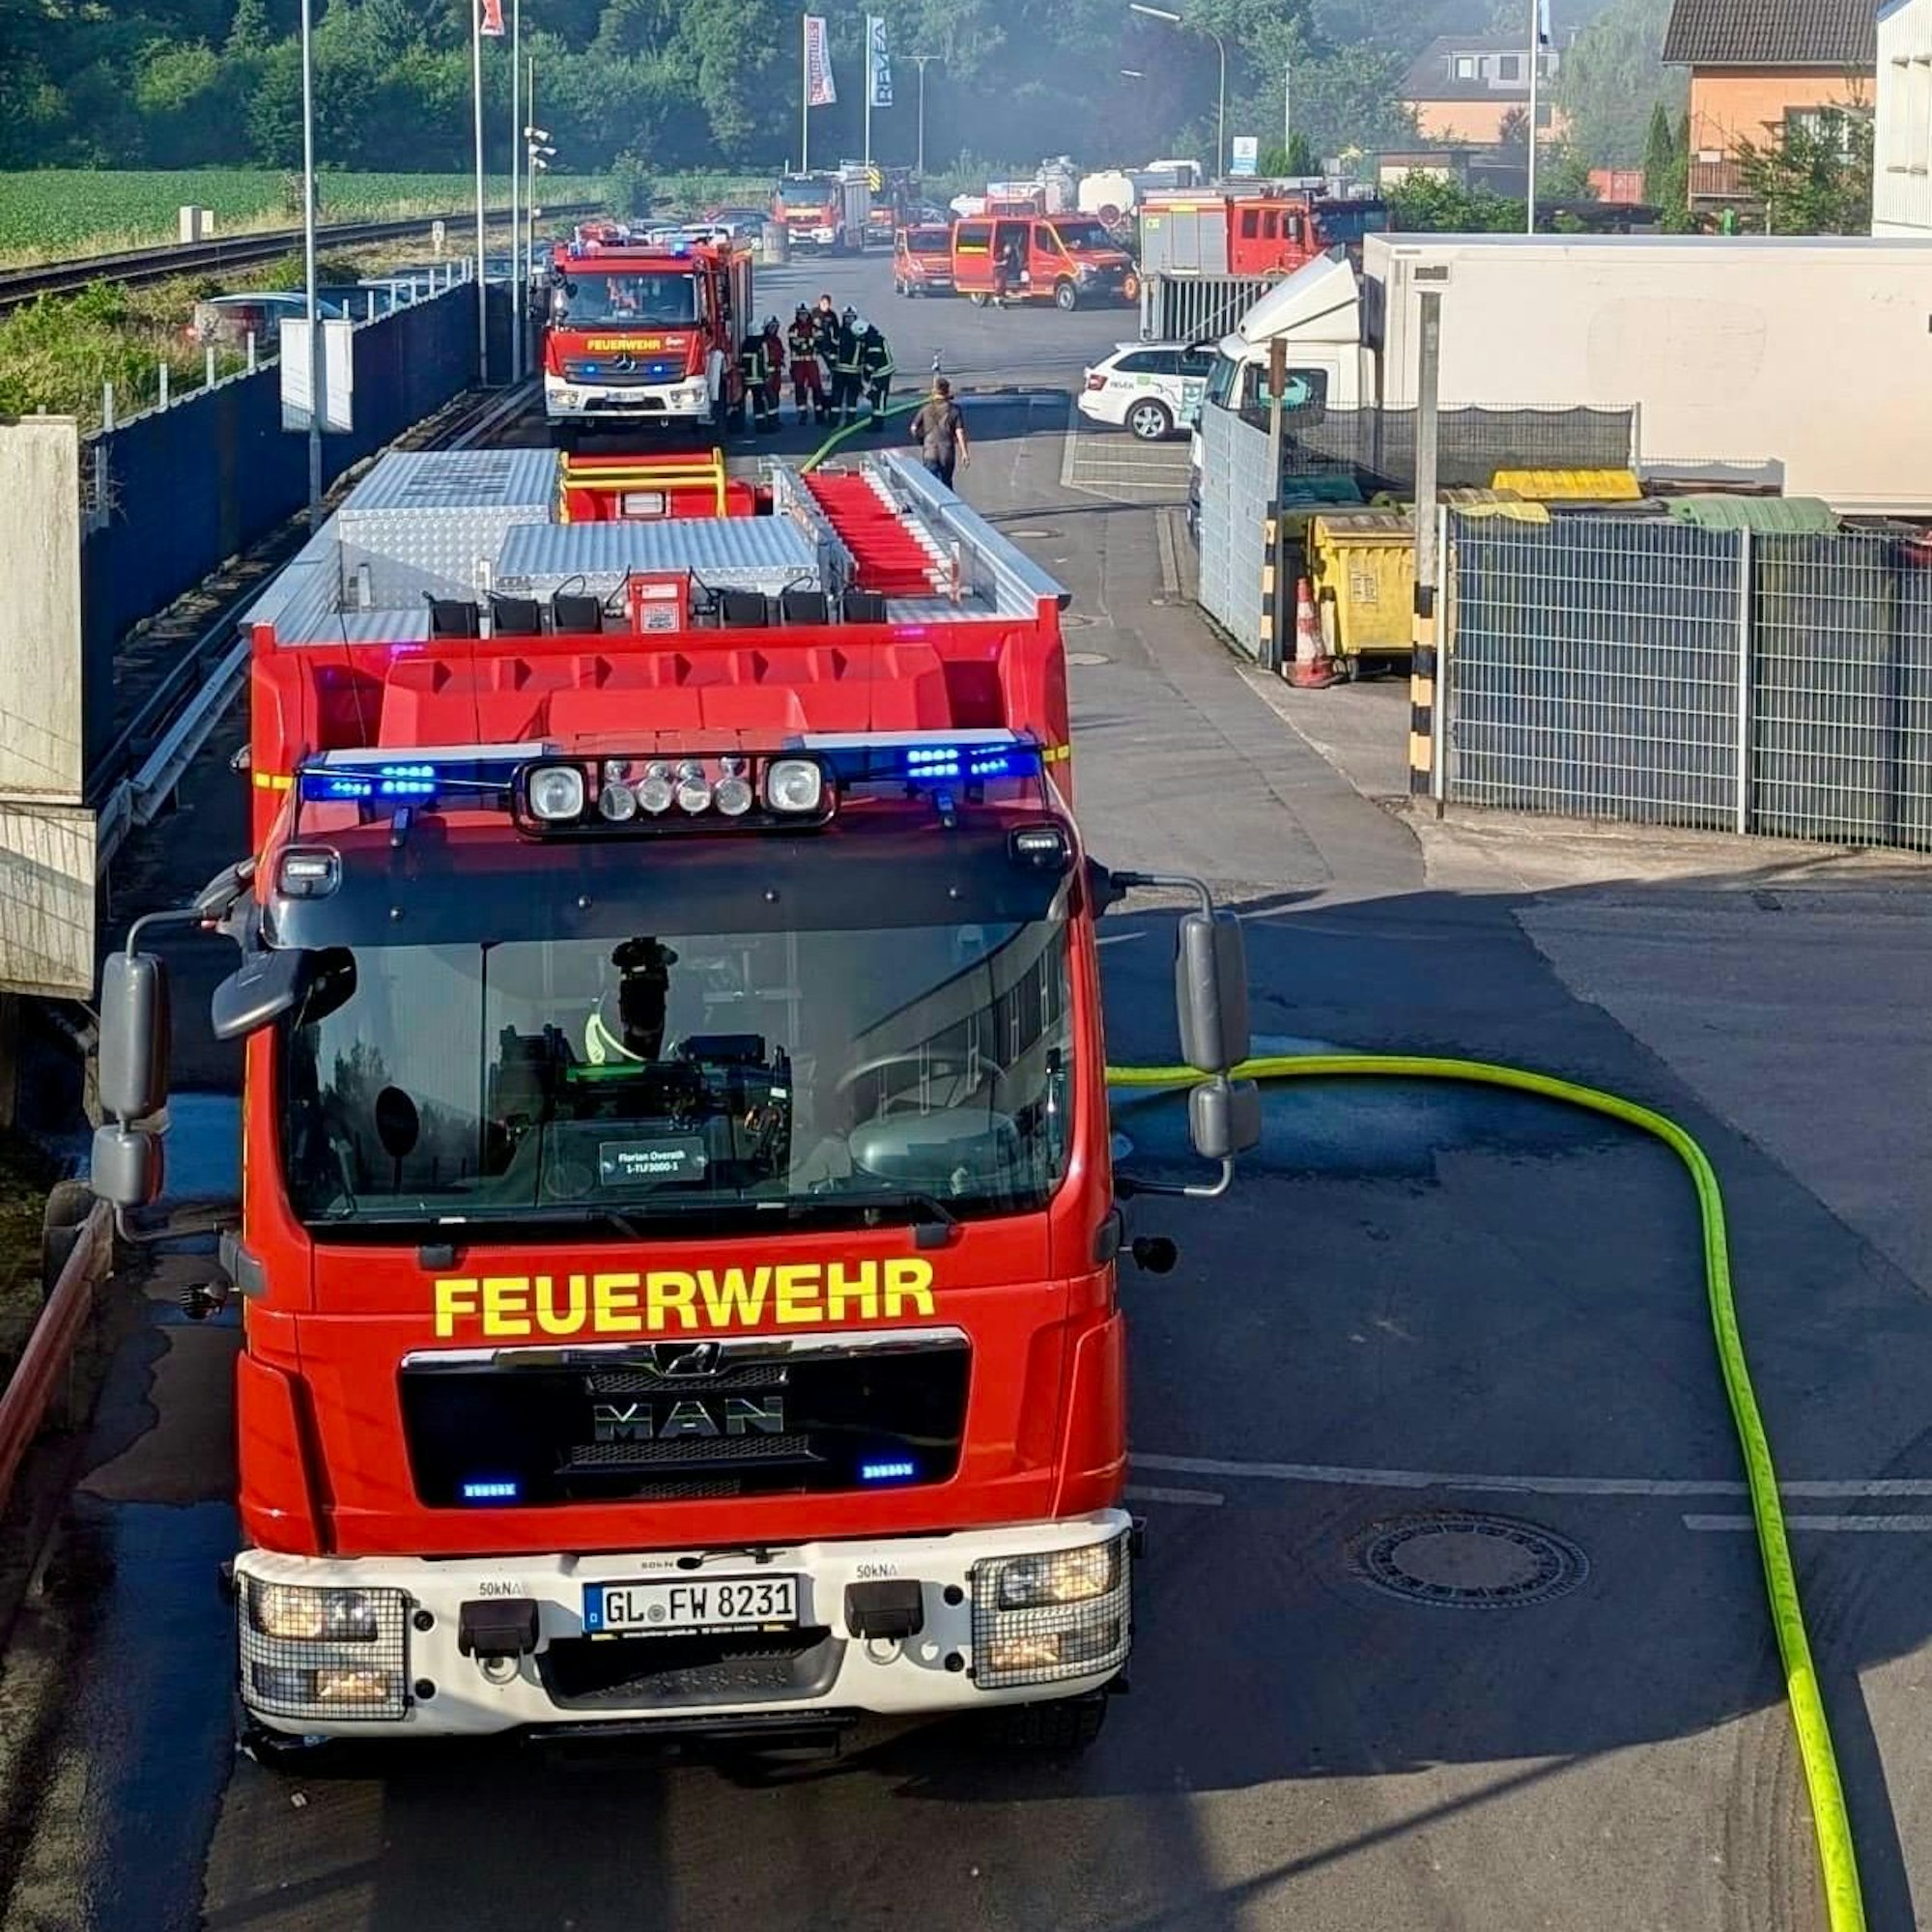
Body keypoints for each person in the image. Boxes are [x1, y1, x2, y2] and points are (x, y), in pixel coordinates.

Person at [585, 938, 679, 1065]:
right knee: (631, 1059)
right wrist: (636, 955)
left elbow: (672, 957)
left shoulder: (659, 952)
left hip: (653, 1014)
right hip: (632, 1014)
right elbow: (617, 958)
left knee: (651, 1060)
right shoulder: (626, 951)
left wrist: (653, 957)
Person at [909, 377, 969, 490]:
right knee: (946, 485)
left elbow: (913, 428)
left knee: (931, 487)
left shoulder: (925, 409)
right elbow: (959, 431)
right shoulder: (954, 410)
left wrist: (921, 440)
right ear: (947, 391)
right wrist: (964, 453)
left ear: (934, 391)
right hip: (946, 454)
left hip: (929, 453)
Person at [788, 303, 828, 425]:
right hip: (798, 363)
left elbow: (820, 341)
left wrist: (806, 342)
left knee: (816, 387)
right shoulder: (793, 328)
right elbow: (794, 343)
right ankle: (802, 413)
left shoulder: (814, 328)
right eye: (801, 314)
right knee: (799, 387)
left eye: (805, 314)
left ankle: (819, 413)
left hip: (811, 362)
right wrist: (809, 342)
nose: (803, 317)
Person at [857, 318, 895, 431]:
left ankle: (878, 424)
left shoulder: (873, 342)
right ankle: (876, 420)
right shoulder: (875, 337)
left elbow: (872, 361)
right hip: (882, 372)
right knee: (875, 396)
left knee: (879, 397)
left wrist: (866, 374)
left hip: (881, 373)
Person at [829, 310, 866, 428]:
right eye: (847, 318)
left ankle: (851, 419)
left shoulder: (860, 333)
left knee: (852, 397)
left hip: (854, 372)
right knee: (836, 397)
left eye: (851, 317)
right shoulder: (839, 333)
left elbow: (864, 352)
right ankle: (834, 420)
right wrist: (832, 363)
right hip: (840, 371)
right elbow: (833, 349)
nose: (849, 320)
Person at [738, 324, 776, 434]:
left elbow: (743, 363)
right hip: (759, 379)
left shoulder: (745, 344)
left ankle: (740, 424)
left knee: (746, 402)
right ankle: (767, 425)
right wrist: (768, 374)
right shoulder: (762, 344)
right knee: (763, 401)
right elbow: (765, 360)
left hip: (747, 379)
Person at [760, 315, 786, 427]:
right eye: (771, 327)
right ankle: (770, 421)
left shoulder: (777, 340)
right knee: (770, 397)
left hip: (777, 372)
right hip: (768, 373)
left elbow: (781, 353)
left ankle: (775, 419)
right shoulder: (764, 341)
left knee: (776, 395)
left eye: (775, 327)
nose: (773, 329)